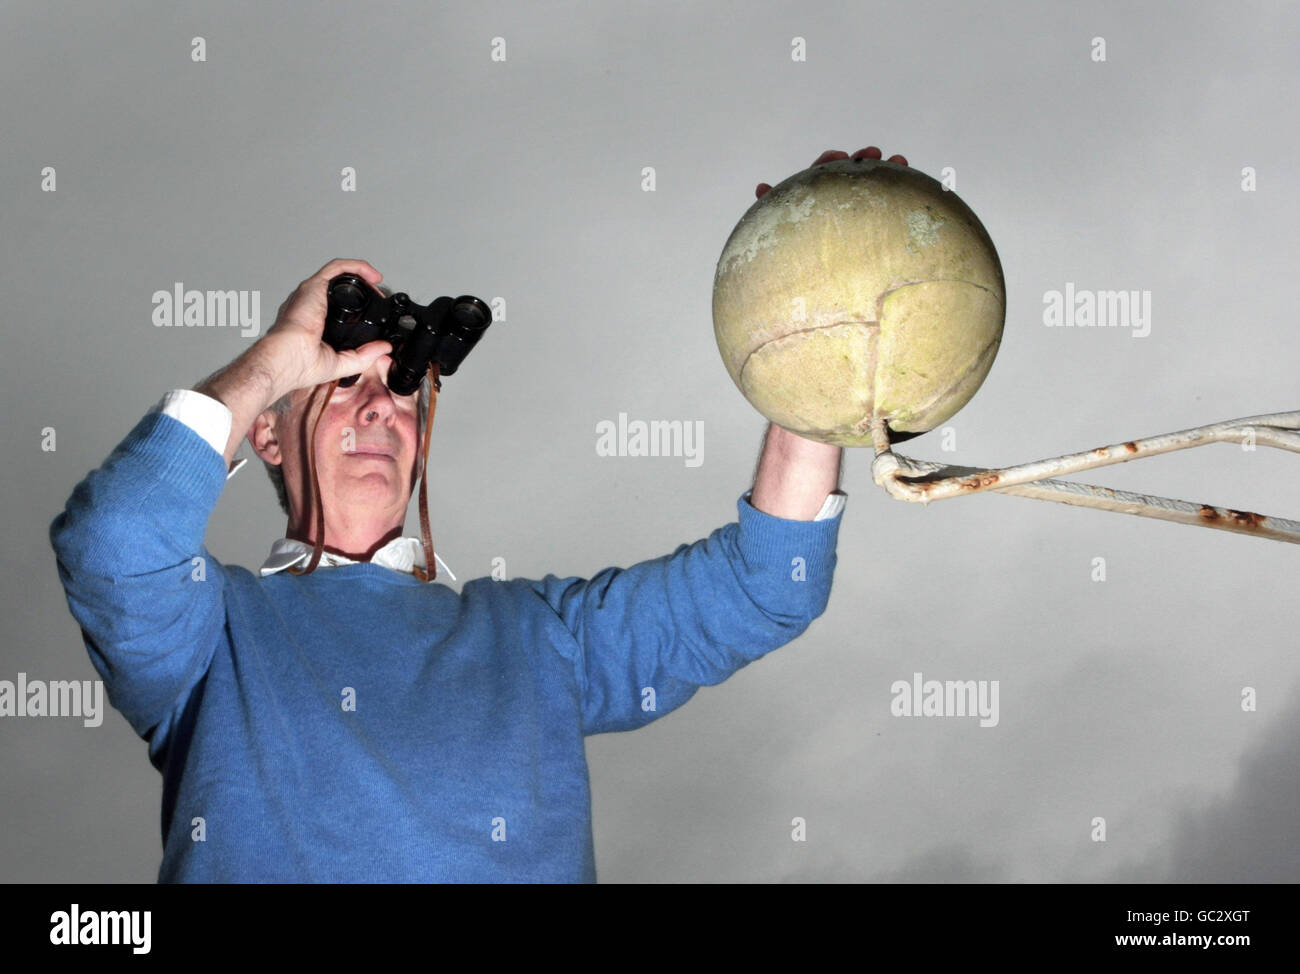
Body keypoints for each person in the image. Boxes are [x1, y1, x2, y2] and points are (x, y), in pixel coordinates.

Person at [49, 146, 900, 882]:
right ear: (265, 437)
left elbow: (766, 585)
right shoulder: (212, 636)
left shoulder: (534, 638)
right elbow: (113, 540)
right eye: (342, 387)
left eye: (400, 392)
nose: (379, 408)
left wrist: (813, 325)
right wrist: (276, 361)